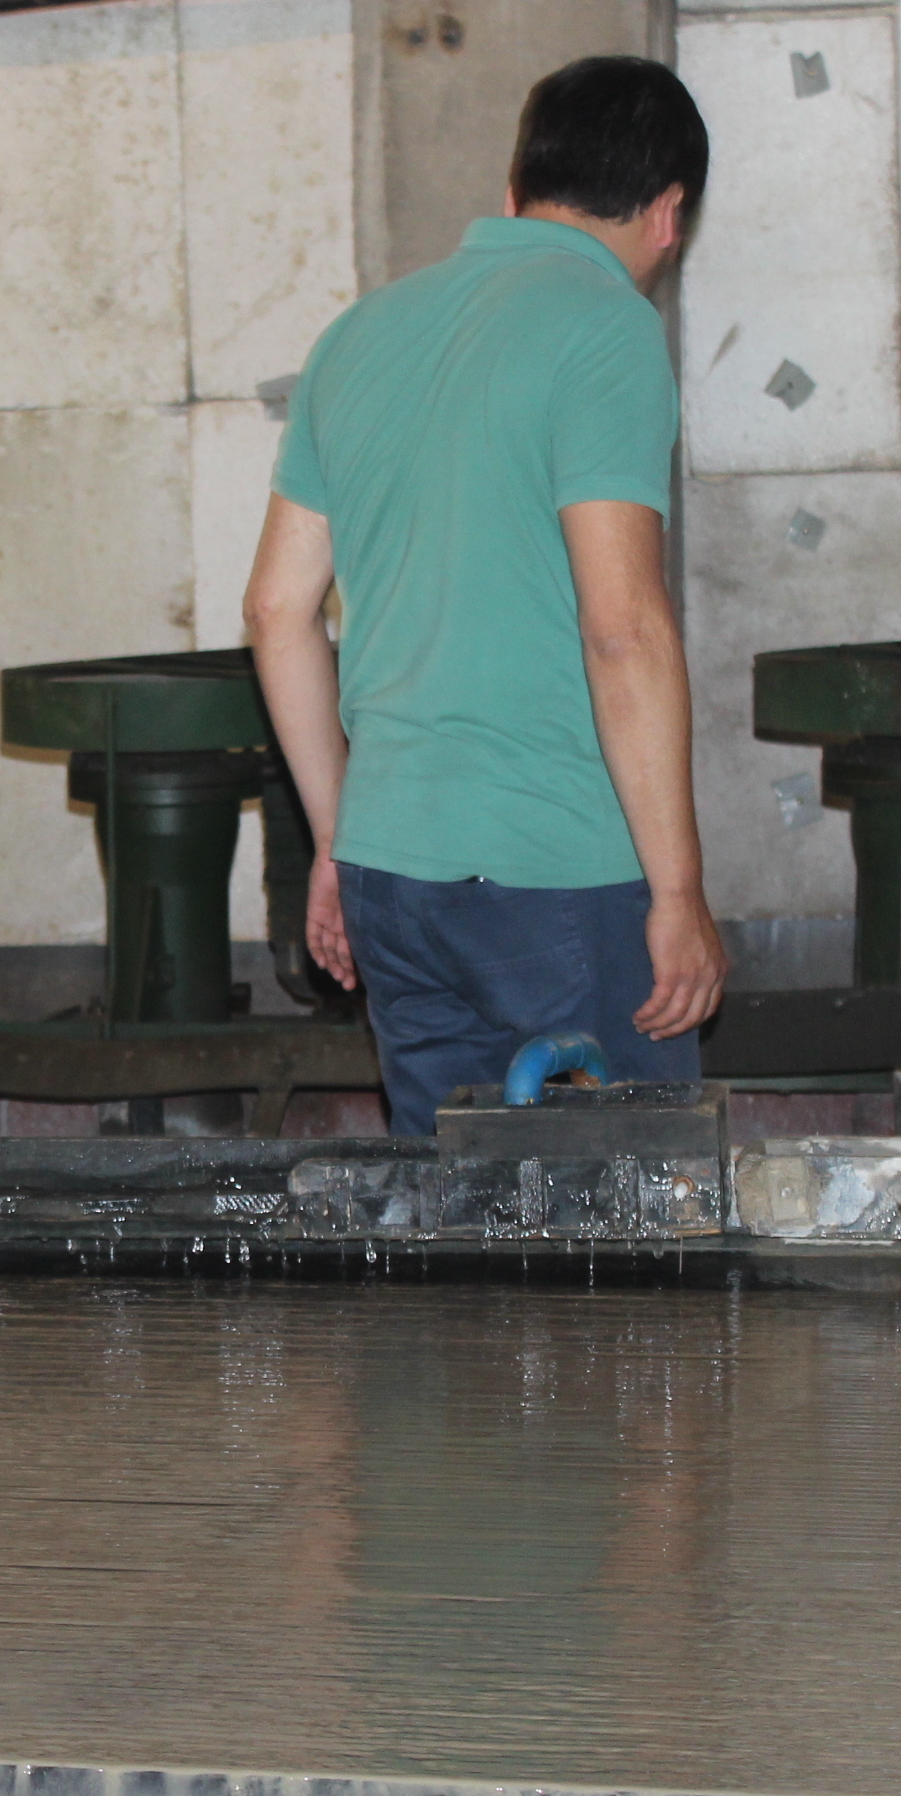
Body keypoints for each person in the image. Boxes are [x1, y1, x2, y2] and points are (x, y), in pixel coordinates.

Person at [244, 55, 727, 1131]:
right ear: (668, 215)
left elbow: (276, 611)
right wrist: (678, 892)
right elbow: (623, 629)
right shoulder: (605, 329)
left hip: (392, 876)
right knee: (623, 1208)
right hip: (559, 878)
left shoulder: (357, 336)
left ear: (515, 192)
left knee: (460, 1212)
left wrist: (338, 842)